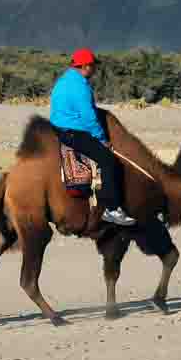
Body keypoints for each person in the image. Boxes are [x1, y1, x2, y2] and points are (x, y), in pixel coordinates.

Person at [48, 48, 135, 227]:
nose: (94, 69)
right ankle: (112, 209)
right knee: (109, 161)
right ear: (86, 66)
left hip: (58, 127)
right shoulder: (80, 86)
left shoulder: (64, 79)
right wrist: (101, 138)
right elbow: (88, 117)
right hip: (73, 132)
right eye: (93, 66)